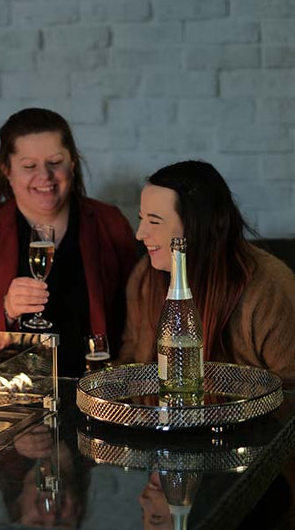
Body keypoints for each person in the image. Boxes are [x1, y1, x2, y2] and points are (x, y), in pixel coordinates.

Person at [0, 108, 138, 376]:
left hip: (96, 387)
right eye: (29, 166)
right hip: (15, 396)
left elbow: (142, 317)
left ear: (72, 163)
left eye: (55, 161)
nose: (45, 176)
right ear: (7, 171)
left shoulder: (110, 221)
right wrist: (6, 311)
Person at [120, 160, 295, 386]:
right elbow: (130, 356)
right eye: (141, 218)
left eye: (155, 221)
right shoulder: (144, 276)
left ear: (198, 227)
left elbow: (290, 392)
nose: (140, 234)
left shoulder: (268, 290)